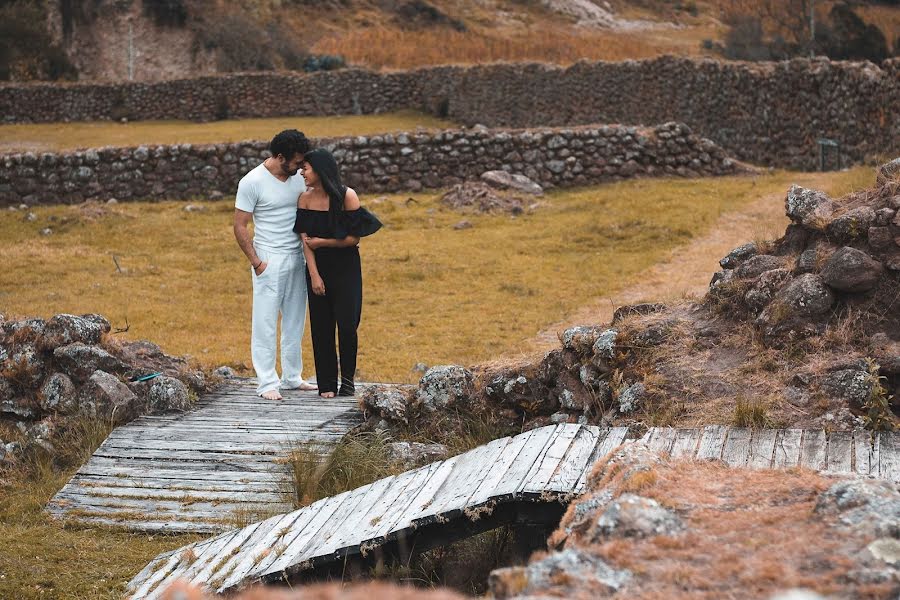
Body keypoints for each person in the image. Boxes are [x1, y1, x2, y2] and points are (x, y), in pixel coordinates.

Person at [233, 129, 317, 400]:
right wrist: (256, 262)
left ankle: (292, 377)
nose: (300, 168)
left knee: (295, 320)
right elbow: (240, 225)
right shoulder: (252, 181)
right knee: (266, 321)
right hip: (268, 258)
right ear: (280, 157)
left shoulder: (299, 178)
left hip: (297, 256)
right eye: (295, 162)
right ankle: (267, 382)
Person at [294, 148, 382, 398]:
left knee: (346, 324)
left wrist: (323, 242)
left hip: (346, 267)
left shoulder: (347, 196)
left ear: (320, 170)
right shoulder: (304, 199)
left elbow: (353, 238)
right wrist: (314, 275)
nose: (302, 172)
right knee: (321, 327)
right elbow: (305, 241)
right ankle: (327, 384)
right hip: (316, 267)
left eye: (306, 168)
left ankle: (348, 381)